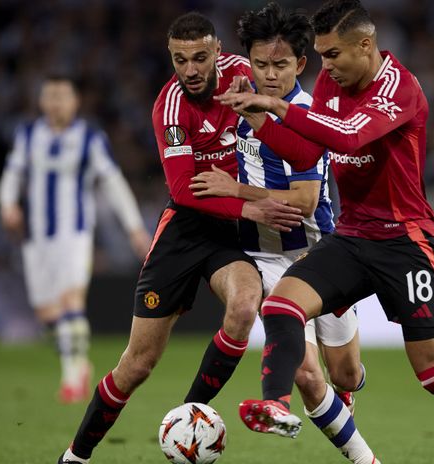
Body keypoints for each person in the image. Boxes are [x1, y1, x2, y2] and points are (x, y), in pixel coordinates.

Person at [217, 1, 434, 463]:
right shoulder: (331, 82)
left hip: (404, 240)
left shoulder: (400, 88)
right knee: (282, 304)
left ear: (365, 45)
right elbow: (308, 156)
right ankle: (275, 403)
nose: (324, 67)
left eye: (332, 55)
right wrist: (258, 119)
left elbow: (348, 135)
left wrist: (277, 105)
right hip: (352, 235)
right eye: (322, 55)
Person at [56, 12, 304, 464]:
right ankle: (76, 455)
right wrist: (250, 204)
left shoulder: (243, 74)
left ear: (216, 53)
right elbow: (183, 190)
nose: (190, 70)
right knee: (137, 364)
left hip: (233, 232)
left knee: (246, 304)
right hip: (186, 230)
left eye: (199, 58)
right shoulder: (170, 108)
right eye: (180, 60)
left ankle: (193, 415)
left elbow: (285, 94)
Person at [189, 4, 379, 463]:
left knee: (345, 374)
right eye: (260, 64)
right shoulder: (236, 102)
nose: (268, 75)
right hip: (264, 259)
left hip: (320, 254)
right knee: (308, 375)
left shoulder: (307, 114)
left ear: (300, 64)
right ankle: (366, 459)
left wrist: (233, 189)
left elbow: (304, 201)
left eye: (279, 65)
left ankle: (346, 392)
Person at [0, 74, 152, 404]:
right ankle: (77, 362)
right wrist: (7, 204)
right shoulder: (28, 135)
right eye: (50, 95)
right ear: (41, 101)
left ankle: (72, 378)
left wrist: (134, 227)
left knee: (71, 302)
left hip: (74, 234)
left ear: (75, 101)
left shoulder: (89, 137)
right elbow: (12, 173)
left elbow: (113, 182)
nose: (56, 102)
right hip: (36, 238)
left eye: (62, 96)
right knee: (47, 316)